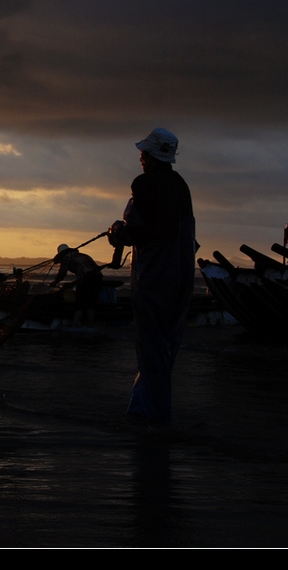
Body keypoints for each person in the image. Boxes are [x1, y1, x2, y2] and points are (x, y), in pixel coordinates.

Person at [108, 127, 197, 425]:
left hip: (155, 276)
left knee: (150, 347)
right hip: (182, 276)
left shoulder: (145, 184)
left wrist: (118, 233)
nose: (141, 158)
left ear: (153, 155)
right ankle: (148, 411)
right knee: (166, 347)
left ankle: (153, 419)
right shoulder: (181, 185)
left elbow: (141, 232)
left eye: (144, 153)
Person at [51, 243, 103, 327]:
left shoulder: (66, 258)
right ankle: (90, 325)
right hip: (98, 278)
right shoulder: (83, 255)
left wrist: (55, 282)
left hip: (86, 279)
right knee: (89, 305)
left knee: (79, 304)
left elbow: (62, 273)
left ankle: (74, 326)